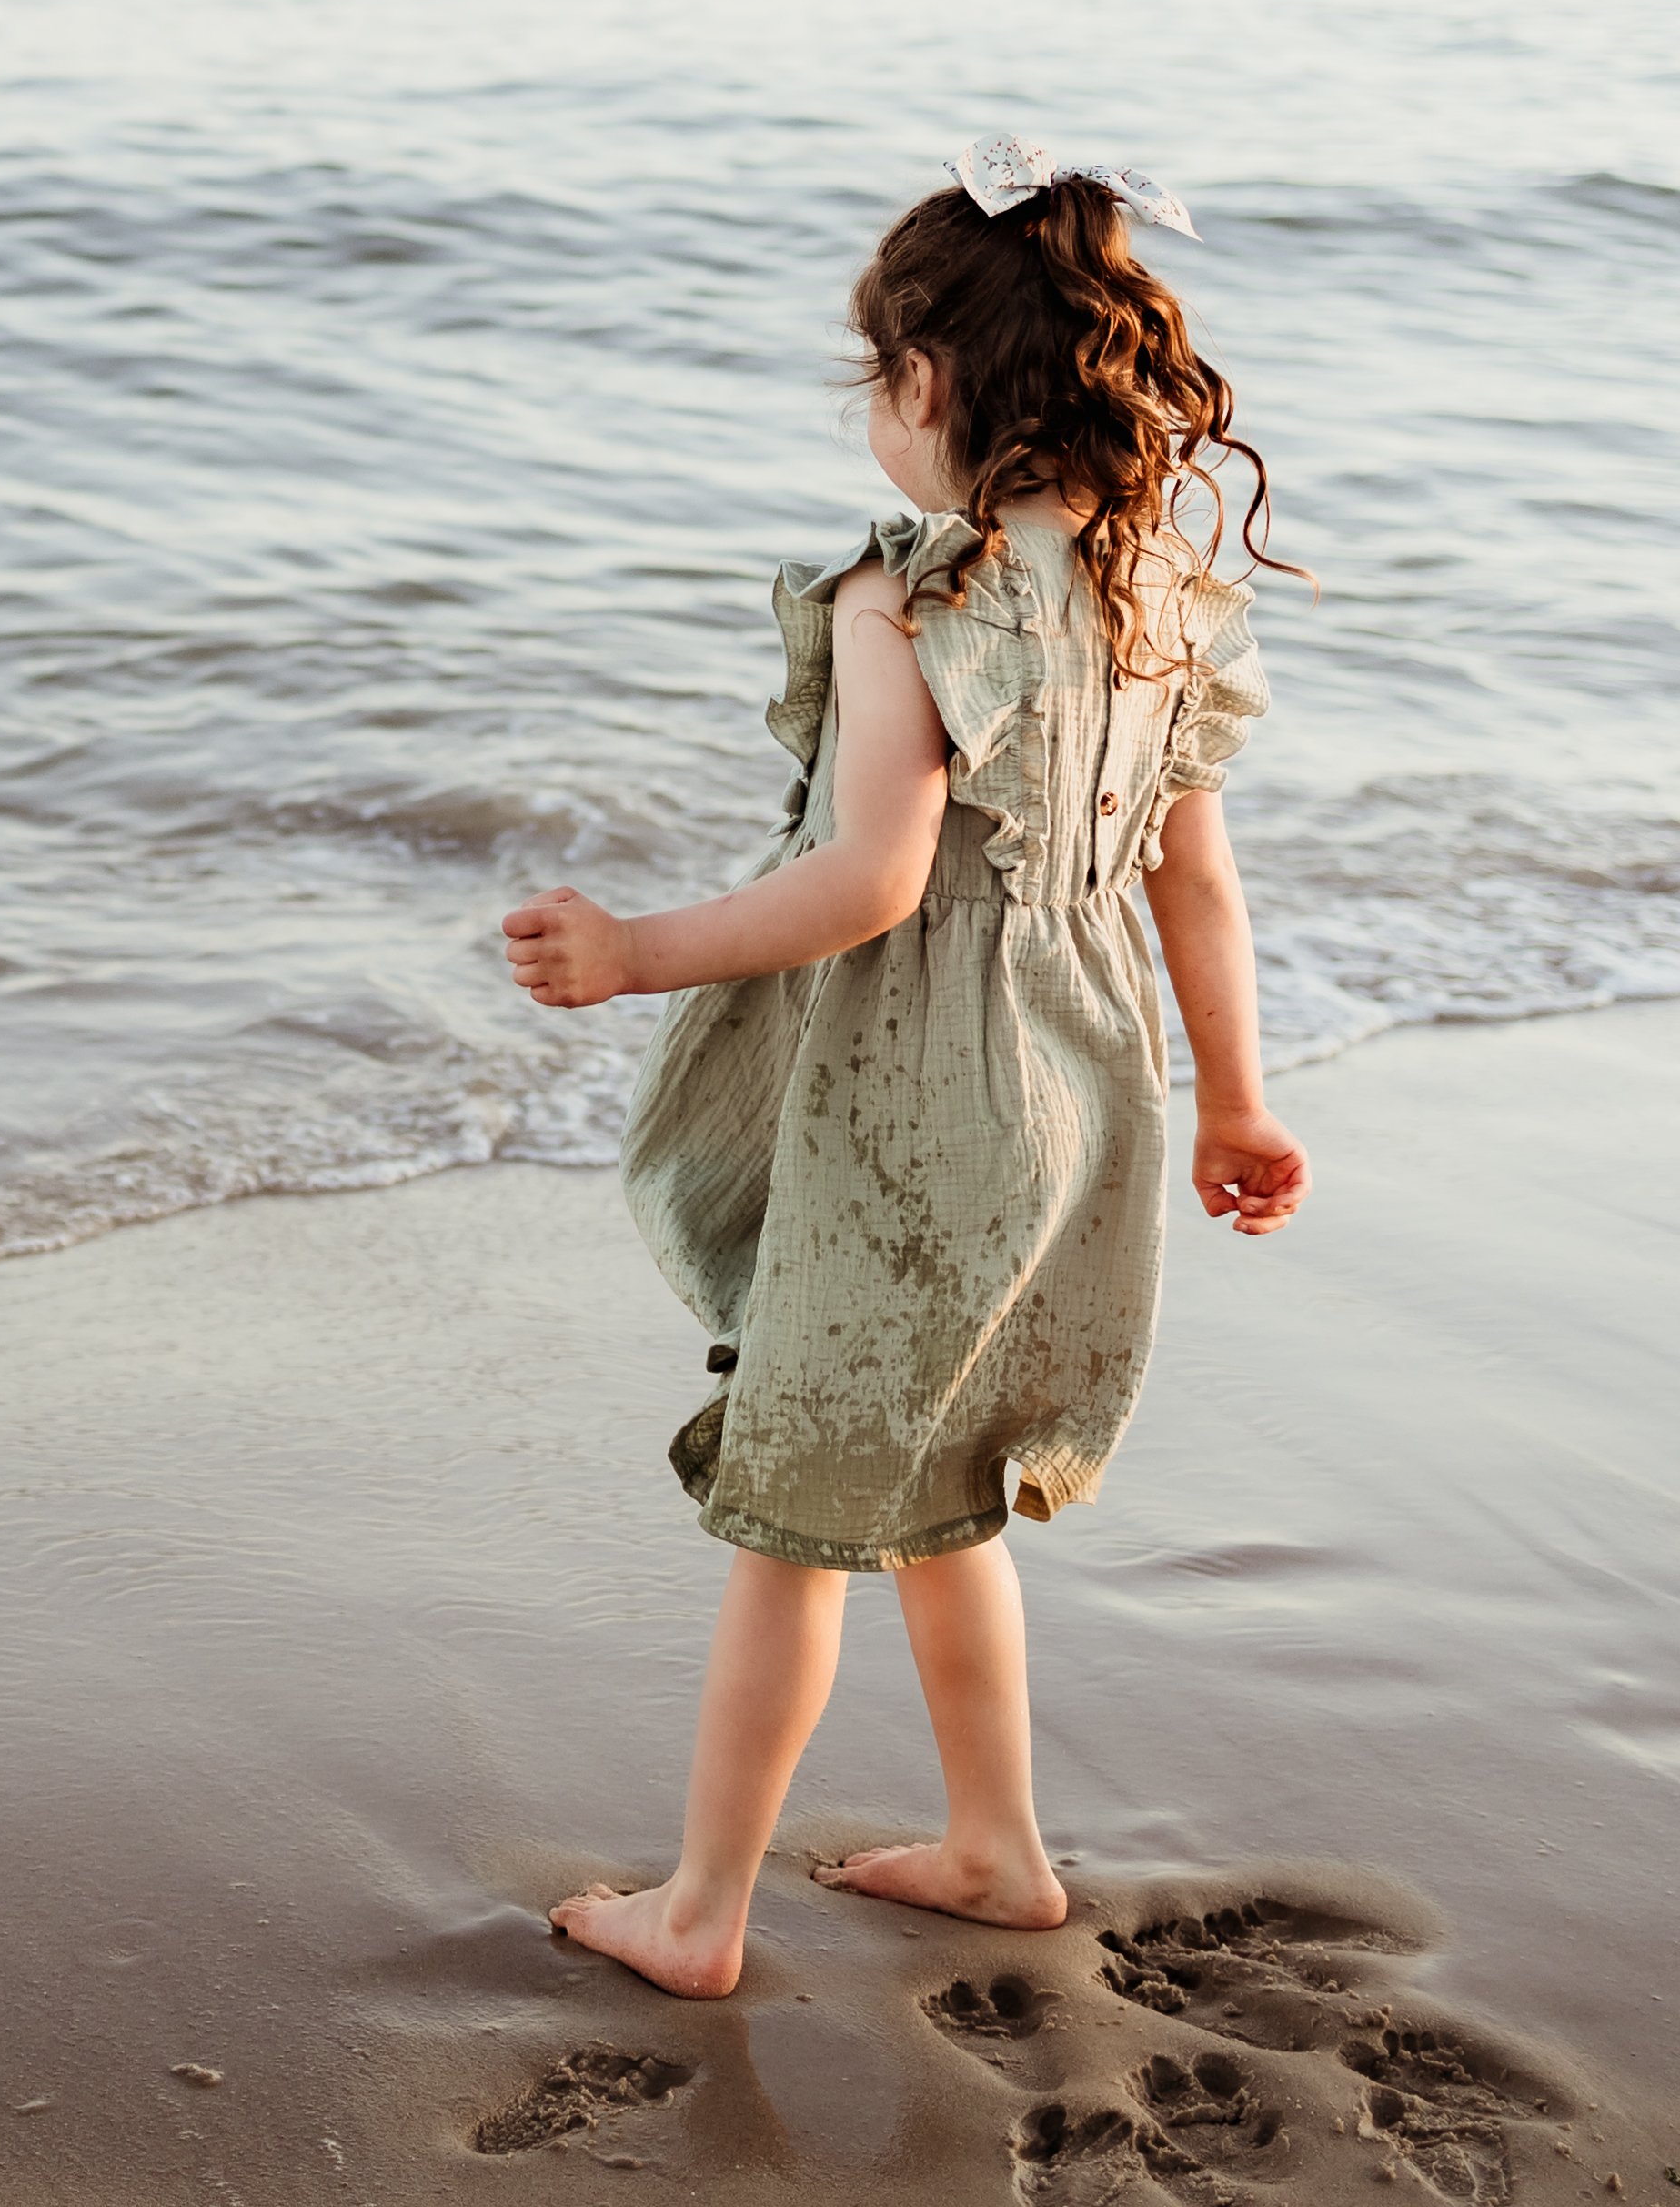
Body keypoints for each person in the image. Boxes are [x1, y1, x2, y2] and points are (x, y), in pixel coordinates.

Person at [501, 138, 1312, 2000]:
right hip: (1085, 1091)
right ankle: (996, 1850)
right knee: (945, 1482)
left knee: (791, 1516)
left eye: (876, 375)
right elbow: (1196, 882)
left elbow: (870, 882)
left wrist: (634, 951)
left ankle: (699, 1914)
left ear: (927, 383)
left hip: (920, 1115)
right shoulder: (1157, 595)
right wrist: (1242, 1100)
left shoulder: (911, 597)